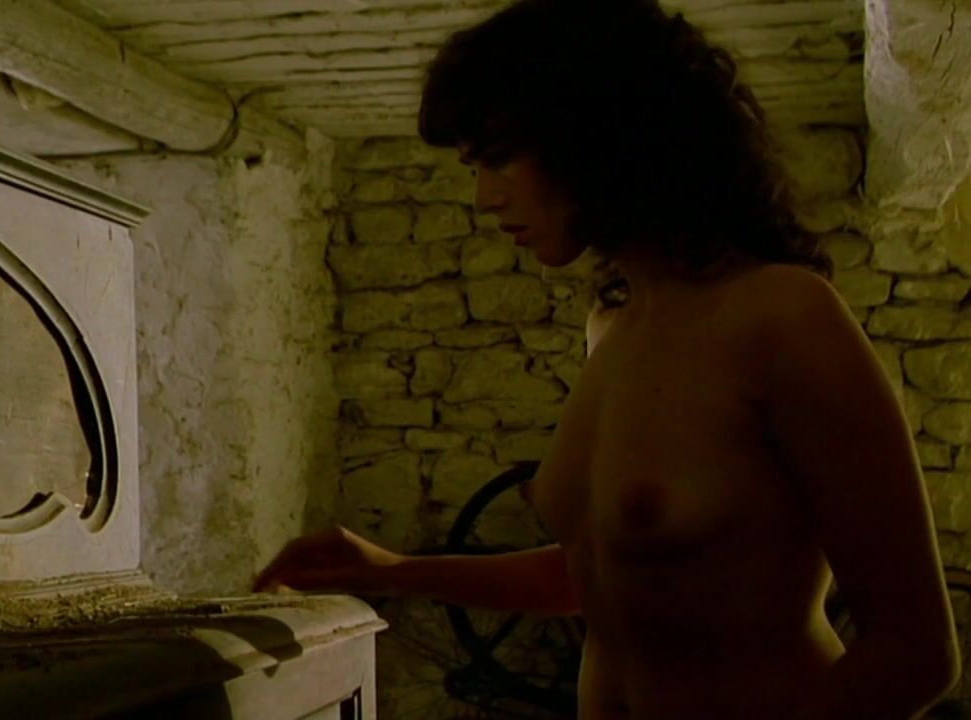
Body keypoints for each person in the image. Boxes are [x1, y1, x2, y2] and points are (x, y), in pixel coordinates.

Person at [253, 0, 962, 718]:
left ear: (598, 137)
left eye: (499, 159)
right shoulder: (612, 327)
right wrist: (397, 571)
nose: (485, 198)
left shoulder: (781, 315)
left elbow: (917, 653)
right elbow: (608, 575)